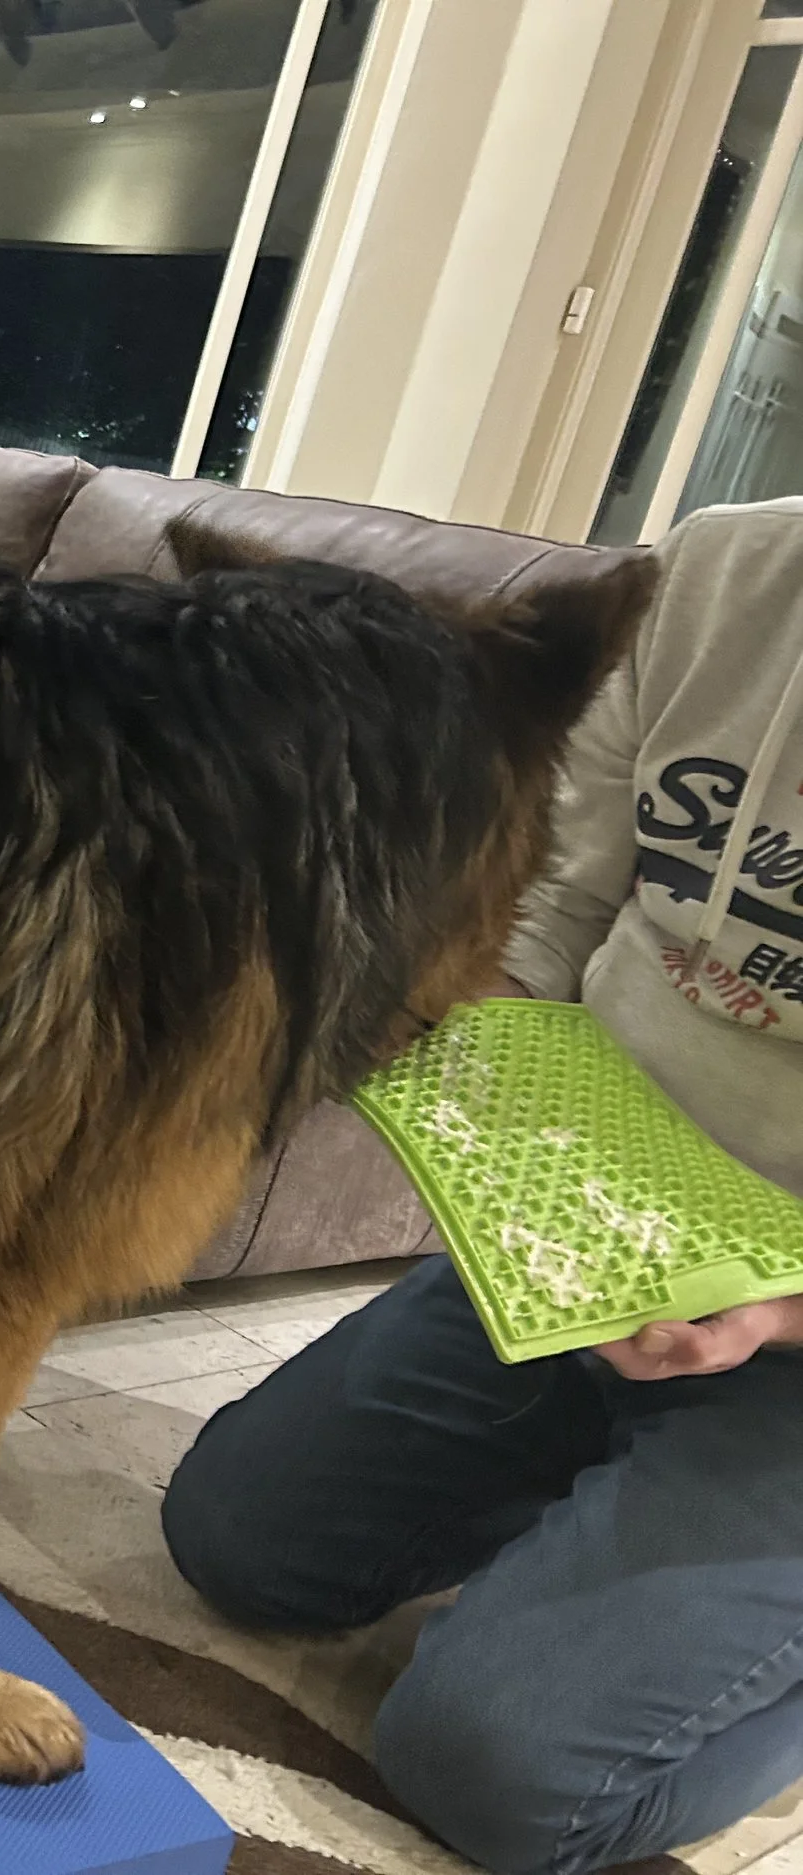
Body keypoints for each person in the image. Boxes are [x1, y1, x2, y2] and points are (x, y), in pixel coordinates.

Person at [161, 496, 803, 1875]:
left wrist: (768, 1309)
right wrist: (497, 1139)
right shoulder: (727, 564)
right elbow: (560, 896)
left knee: (496, 1769)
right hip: (606, 1223)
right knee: (236, 1538)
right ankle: (638, 1528)